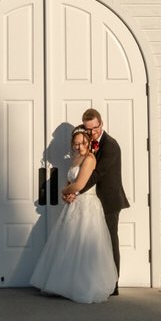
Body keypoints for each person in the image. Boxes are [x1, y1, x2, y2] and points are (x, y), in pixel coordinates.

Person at [29, 127, 116, 303]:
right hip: (74, 204)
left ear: (88, 141)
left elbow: (79, 184)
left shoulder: (90, 159)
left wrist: (65, 191)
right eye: (76, 144)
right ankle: (63, 284)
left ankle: (84, 286)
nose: (79, 146)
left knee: (83, 244)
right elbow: (72, 182)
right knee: (67, 244)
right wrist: (68, 193)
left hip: (87, 205)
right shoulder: (76, 158)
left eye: (83, 142)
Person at [64, 107, 128, 294]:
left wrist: (73, 190)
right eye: (88, 129)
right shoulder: (86, 141)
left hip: (108, 201)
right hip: (90, 202)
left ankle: (113, 284)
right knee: (92, 243)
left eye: (95, 128)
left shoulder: (111, 146)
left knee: (109, 242)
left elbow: (97, 174)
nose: (92, 132)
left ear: (101, 123)